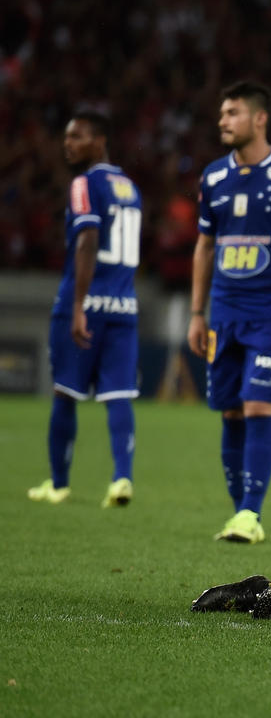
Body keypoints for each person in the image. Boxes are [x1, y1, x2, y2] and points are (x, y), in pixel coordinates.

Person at [187, 81, 271, 543]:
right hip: (223, 314)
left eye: (232, 113)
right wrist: (195, 313)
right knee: (230, 412)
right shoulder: (212, 177)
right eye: (222, 113)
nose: (222, 121)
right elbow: (204, 248)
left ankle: (250, 512)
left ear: (259, 118)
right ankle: (239, 512)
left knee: (258, 404)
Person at [29, 111, 142, 508]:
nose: (68, 143)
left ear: (99, 140)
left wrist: (78, 306)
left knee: (65, 391)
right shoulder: (130, 187)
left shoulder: (85, 183)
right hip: (124, 304)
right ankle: (122, 479)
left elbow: (88, 240)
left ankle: (58, 484)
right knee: (118, 395)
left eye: (76, 136)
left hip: (86, 303)